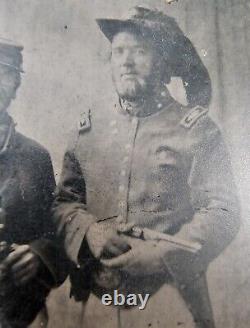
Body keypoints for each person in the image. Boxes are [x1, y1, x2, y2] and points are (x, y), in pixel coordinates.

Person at [53, 7, 240, 328]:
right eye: (119, 51)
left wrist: (162, 255)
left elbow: (223, 211)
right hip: (98, 299)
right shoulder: (87, 132)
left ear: (164, 61)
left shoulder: (196, 130)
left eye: (139, 52)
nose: (126, 61)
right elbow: (63, 203)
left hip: (171, 301)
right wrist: (89, 232)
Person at [0, 38, 67, 328]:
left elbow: (57, 236)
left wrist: (38, 256)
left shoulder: (34, 157)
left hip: (17, 315)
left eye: (4, 72)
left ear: (16, 83)